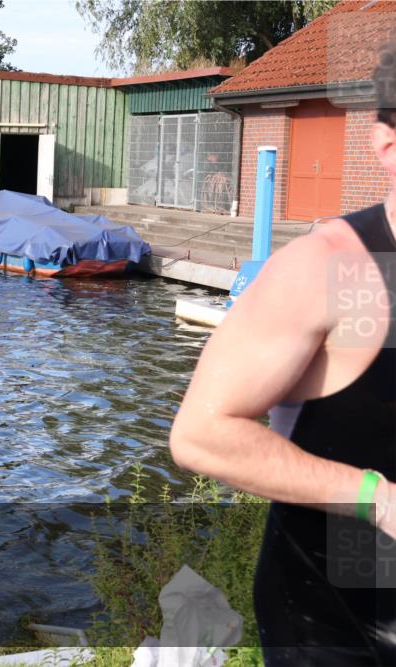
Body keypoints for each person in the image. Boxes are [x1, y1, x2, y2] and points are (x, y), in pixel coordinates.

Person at [169, 44, 396, 666]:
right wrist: (377, 499)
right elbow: (202, 435)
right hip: (336, 628)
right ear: (387, 147)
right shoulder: (325, 272)